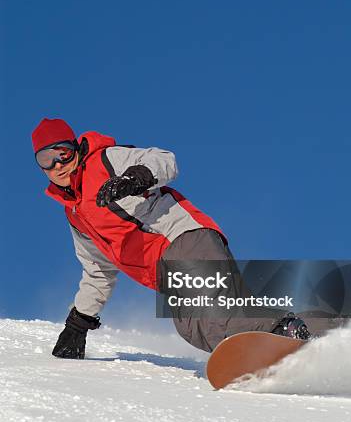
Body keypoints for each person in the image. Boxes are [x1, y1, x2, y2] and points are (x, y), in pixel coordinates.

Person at [31, 118, 312, 359]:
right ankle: (313, 332)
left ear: (75, 149)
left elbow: (165, 160)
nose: (58, 165)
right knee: (197, 325)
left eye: (63, 154)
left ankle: (281, 332)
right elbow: (98, 271)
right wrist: (78, 323)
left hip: (183, 241)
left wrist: (134, 178)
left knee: (207, 318)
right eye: (46, 160)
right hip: (167, 272)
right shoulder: (76, 216)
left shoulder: (105, 160)